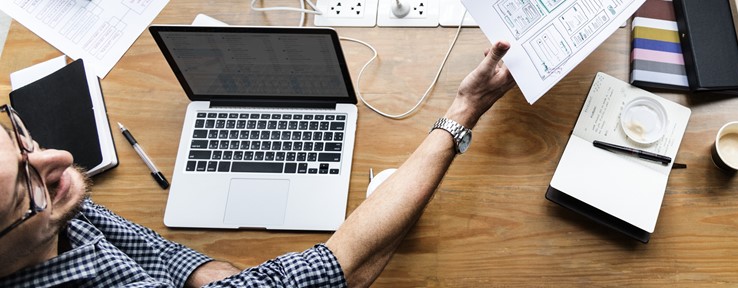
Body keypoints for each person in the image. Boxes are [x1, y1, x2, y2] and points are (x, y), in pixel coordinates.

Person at [0, 41, 517, 287]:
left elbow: (152, 249)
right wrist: (464, 109)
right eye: (29, 188)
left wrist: (217, 280)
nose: (59, 159)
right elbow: (346, 266)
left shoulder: (51, 199)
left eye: (16, 137)